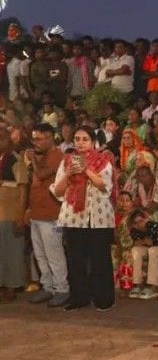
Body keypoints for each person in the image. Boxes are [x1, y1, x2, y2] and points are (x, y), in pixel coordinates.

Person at [50, 126, 116, 311]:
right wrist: (69, 174)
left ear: (93, 142)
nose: (80, 143)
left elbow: (105, 187)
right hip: (73, 217)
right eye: (77, 139)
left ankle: (103, 299)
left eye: (84, 139)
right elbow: (57, 190)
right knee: (75, 259)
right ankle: (79, 298)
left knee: (99, 259)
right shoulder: (66, 161)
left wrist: (86, 170)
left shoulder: (104, 161)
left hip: (99, 218)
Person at [25, 124, 69, 307]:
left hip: (52, 214)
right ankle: (48, 286)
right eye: (34, 138)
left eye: (39, 138)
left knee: (54, 254)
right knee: (40, 255)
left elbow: (41, 174)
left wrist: (32, 159)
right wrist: (28, 209)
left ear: (51, 137)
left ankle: (62, 289)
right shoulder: (40, 156)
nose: (35, 142)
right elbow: (33, 184)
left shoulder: (58, 155)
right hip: (36, 213)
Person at [0, 127, 28, 303]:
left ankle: (12, 286)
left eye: (2, 139)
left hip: (11, 210)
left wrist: (20, 215)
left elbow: (23, 187)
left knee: (12, 250)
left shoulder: (15, 159)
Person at [128, 208, 158, 300]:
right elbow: (137, 243)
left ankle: (153, 285)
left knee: (153, 250)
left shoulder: (152, 225)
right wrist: (145, 242)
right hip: (149, 247)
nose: (139, 224)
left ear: (146, 219)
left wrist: (144, 242)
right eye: (135, 223)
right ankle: (137, 283)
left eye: (141, 221)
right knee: (136, 250)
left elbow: (152, 242)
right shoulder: (134, 230)